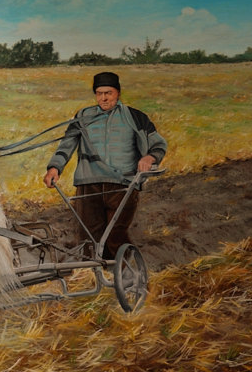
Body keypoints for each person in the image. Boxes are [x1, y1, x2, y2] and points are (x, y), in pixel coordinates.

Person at [43, 71, 167, 259]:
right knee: (89, 239)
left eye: (108, 93)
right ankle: (96, 280)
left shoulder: (135, 117)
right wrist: (54, 168)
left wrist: (150, 158)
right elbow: (67, 144)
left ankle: (126, 276)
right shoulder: (83, 116)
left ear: (117, 93)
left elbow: (158, 144)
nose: (103, 98)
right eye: (99, 93)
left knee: (115, 236)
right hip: (88, 184)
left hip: (123, 185)